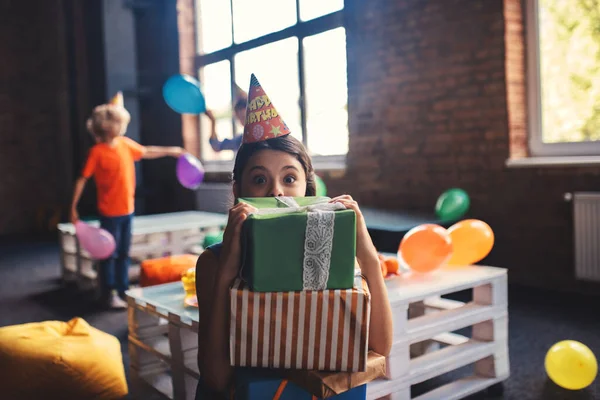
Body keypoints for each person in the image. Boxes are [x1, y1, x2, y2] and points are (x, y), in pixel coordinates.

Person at [195, 75, 393, 398]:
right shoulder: (213, 262)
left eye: (289, 178)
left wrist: (367, 255)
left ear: (307, 189)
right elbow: (215, 378)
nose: (276, 191)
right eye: (259, 179)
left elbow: (380, 349)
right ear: (238, 191)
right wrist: (228, 271)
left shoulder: (331, 249)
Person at [70, 92, 185, 309]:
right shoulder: (97, 152)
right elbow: (82, 179)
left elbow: (147, 151)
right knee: (108, 254)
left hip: (127, 211)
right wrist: (73, 208)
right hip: (109, 213)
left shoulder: (125, 145)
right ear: (109, 127)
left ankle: (122, 291)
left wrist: (172, 151)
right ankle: (108, 293)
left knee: (123, 253)